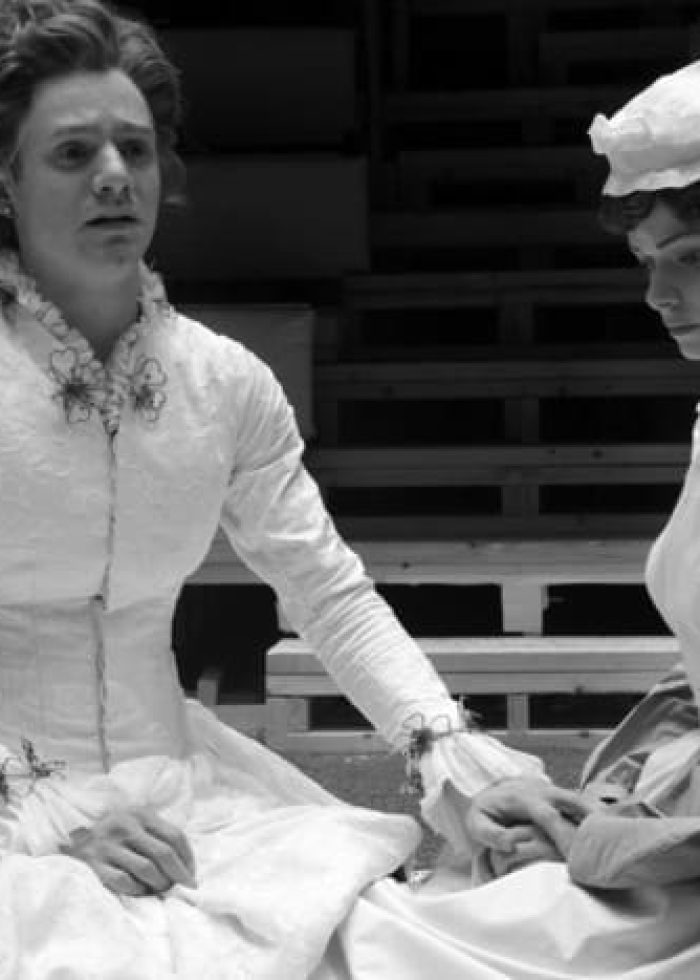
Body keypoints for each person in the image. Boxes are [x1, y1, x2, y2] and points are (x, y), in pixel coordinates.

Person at [2, 1, 699, 977]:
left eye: (136, 147)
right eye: (72, 153)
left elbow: (329, 593)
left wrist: (453, 763)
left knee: (414, 944)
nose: (115, 175)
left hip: (184, 789)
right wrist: (36, 825)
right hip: (13, 814)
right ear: (7, 182)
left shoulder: (224, 382)